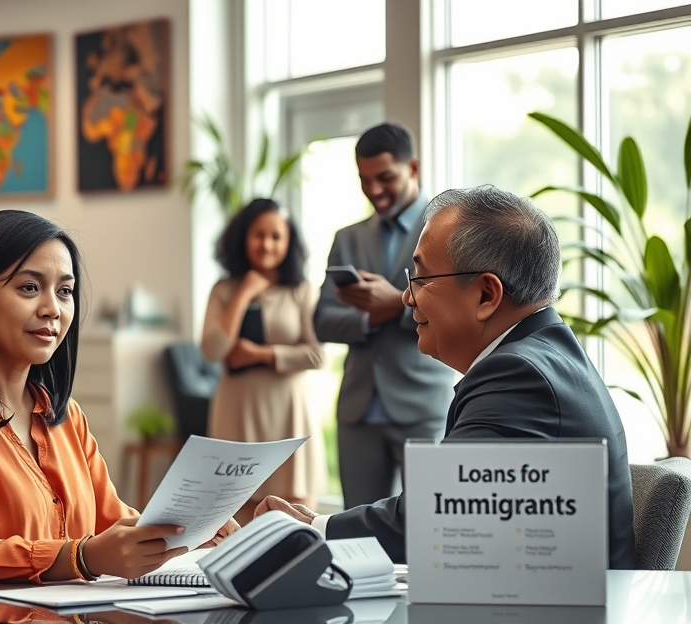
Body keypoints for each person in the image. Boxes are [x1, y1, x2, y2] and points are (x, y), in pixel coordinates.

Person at [258, 185, 637, 569]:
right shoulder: (544, 353)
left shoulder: (519, 377)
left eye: (421, 278)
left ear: (486, 295)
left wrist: (313, 527)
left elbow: (437, 518)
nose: (407, 298)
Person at [0, 210, 236, 587]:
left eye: (65, 291)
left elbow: (111, 524)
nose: (52, 309)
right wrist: (81, 556)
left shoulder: (65, 414)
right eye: (29, 287)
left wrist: (195, 530)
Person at [315, 122, 456, 510]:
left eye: (385, 178)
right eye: (364, 180)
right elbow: (321, 320)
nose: (374, 190)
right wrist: (369, 318)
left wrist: (396, 303)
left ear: (413, 168)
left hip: (423, 405)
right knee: (357, 529)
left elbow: (457, 313)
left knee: (430, 521)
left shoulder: (448, 231)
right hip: (358, 409)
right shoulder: (347, 238)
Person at [201, 198, 326, 523]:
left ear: (289, 242)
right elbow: (213, 349)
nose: (267, 244)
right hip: (237, 415)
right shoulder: (224, 290)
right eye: (259, 235)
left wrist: (261, 354)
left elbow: (317, 354)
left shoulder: (302, 290)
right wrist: (244, 293)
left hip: (289, 415)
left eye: (276, 236)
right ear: (243, 237)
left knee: (296, 519)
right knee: (235, 520)